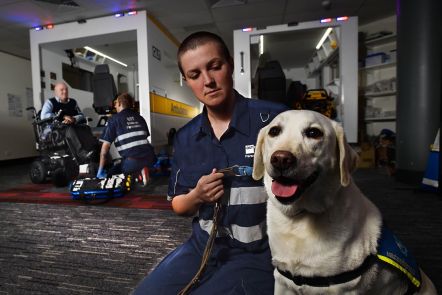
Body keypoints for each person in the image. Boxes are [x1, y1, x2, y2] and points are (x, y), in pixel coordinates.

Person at [133, 32, 288, 294]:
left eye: (215, 67)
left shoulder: (274, 120)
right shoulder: (185, 138)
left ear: (229, 64)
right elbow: (179, 205)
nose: (208, 81)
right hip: (203, 246)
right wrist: (197, 195)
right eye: (195, 75)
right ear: (186, 81)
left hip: (261, 251)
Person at [96, 93, 155, 182]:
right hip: (151, 158)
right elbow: (141, 139)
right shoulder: (140, 118)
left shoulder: (113, 120)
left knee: (112, 172)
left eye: (115, 103)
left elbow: (104, 150)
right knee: (128, 161)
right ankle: (143, 171)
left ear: (119, 103)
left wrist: (100, 171)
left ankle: (138, 172)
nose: (114, 105)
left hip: (132, 162)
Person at [40, 82, 95, 163]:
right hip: (55, 129)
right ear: (56, 92)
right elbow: (44, 116)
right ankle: (81, 153)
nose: (64, 91)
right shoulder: (50, 102)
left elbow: (81, 114)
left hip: (71, 125)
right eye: (61, 90)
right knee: (69, 129)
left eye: (66, 89)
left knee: (86, 128)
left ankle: (92, 151)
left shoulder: (73, 102)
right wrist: (63, 116)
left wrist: (74, 118)